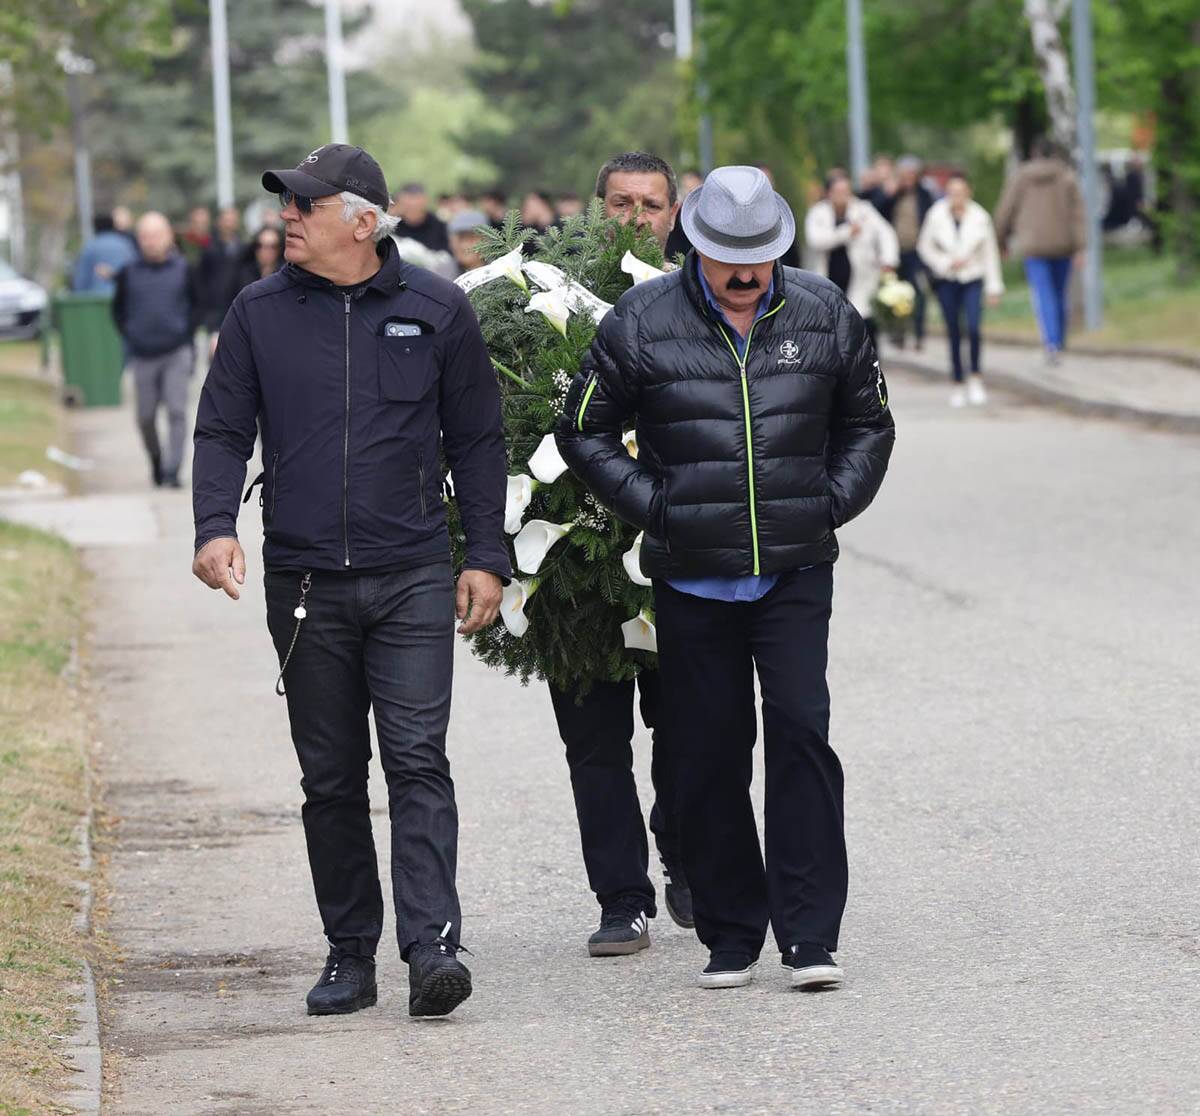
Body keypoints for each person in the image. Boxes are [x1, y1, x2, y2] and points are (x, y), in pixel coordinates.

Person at [191, 143, 510, 1019]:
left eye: (306, 205)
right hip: (303, 583)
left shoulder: (437, 309)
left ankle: (432, 947)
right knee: (330, 778)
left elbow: (478, 440)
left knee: (416, 760)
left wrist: (485, 554)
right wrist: (214, 525)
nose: (287, 217)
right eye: (286, 203)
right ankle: (349, 954)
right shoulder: (257, 312)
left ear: (363, 223)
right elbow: (221, 431)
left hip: (411, 572)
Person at [557, 164, 894, 991]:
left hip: (794, 571)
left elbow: (869, 423)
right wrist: (658, 508)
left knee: (801, 735)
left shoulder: (823, 311)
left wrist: (828, 504)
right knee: (707, 754)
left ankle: (809, 935)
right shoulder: (642, 320)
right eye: (727, 258)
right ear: (696, 243)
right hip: (692, 578)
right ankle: (733, 933)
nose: (745, 274)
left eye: (758, 256)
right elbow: (583, 429)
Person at [542, 151, 691, 961]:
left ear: (674, 214)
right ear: (595, 207)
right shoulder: (540, 301)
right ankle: (621, 899)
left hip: (676, 557)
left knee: (691, 728)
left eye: (650, 204)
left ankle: (685, 848)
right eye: (621, 203)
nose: (635, 218)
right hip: (573, 565)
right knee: (594, 744)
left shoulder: (699, 299)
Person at [112, 211, 202, 488]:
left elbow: (197, 305)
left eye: (156, 235)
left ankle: (173, 470)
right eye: (145, 236)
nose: (150, 241)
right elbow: (118, 310)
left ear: (168, 237)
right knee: (145, 416)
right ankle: (156, 460)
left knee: (176, 411)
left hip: (176, 351)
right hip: (143, 354)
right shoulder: (128, 272)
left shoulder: (184, 268)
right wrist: (132, 334)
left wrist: (185, 333)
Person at [993, 138, 1086, 364]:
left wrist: (1001, 241)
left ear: (1034, 153)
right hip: (1063, 244)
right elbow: (1078, 215)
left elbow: (1006, 210)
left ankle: (1051, 343)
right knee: (1059, 293)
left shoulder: (1021, 177)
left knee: (1044, 294)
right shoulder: (1067, 177)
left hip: (1033, 245)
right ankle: (1059, 340)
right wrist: (1081, 246)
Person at [917, 172, 1005, 407]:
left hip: (972, 277)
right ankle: (957, 381)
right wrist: (944, 262)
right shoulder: (936, 215)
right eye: (952, 192)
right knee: (953, 329)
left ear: (968, 192)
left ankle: (975, 376)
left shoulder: (980, 217)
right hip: (947, 279)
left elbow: (990, 254)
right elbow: (924, 247)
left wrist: (994, 287)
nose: (956, 197)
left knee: (974, 327)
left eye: (961, 192)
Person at [804, 174, 898, 346]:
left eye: (846, 191)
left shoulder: (864, 210)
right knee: (833, 329)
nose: (843, 196)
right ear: (829, 193)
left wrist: (888, 260)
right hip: (829, 278)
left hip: (861, 277)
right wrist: (846, 232)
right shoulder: (818, 212)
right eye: (838, 191)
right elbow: (816, 240)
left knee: (865, 326)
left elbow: (886, 233)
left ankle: (870, 361)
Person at [874, 155, 934, 349]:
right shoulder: (893, 195)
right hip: (895, 252)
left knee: (918, 293)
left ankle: (919, 333)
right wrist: (890, 194)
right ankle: (898, 333)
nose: (908, 179)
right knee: (893, 294)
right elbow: (878, 212)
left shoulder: (924, 195)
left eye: (911, 175)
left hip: (917, 251)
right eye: (904, 175)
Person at [198, 205, 244, 337]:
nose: (228, 224)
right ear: (219, 222)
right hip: (213, 310)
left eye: (232, 220)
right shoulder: (209, 248)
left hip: (237, 307)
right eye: (226, 220)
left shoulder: (242, 248)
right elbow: (202, 279)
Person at [72, 213, 138, 294]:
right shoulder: (126, 244)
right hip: (123, 295)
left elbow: (81, 278)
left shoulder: (90, 246)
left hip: (96, 297)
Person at [225, 225, 284, 302]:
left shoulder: (285, 277)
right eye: (260, 245)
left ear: (279, 249)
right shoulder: (242, 274)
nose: (266, 251)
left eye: (273, 246)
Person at [389, 183, 451, 254]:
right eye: (408, 204)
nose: (413, 205)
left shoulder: (438, 226)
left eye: (416, 201)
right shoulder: (392, 225)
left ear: (425, 201)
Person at [665, 170, 702, 260]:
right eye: (687, 188)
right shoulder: (676, 213)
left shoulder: (707, 215)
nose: (690, 194)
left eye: (693, 190)